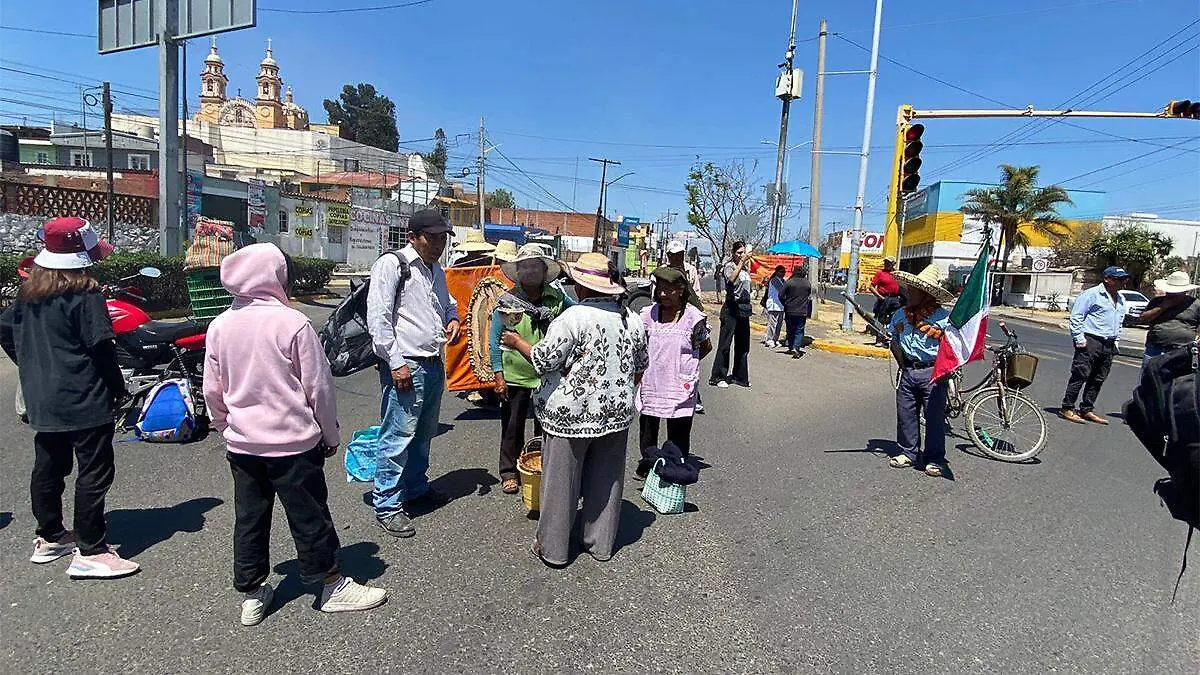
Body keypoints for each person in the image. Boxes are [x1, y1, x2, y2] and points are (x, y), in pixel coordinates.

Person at [203, 243, 386, 625]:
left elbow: (212, 390)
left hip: (243, 446)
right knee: (309, 515)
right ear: (274, 276)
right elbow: (318, 388)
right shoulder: (292, 323)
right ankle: (331, 586)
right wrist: (329, 434)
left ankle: (252, 593)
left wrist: (226, 427)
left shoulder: (220, 326)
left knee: (250, 518)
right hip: (292, 444)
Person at [0, 217, 138, 579]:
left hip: (42, 396)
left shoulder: (29, 292)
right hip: (83, 395)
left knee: (49, 466)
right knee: (94, 470)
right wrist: (117, 388)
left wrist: (30, 363)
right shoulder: (86, 293)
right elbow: (101, 348)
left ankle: (50, 536)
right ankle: (92, 550)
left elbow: (5, 328)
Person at [501, 252, 649, 567]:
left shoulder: (573, 318)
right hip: (615, 415)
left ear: (581, 286)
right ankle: (599, 544)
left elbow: (543, 360)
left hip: (569, 417)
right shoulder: (632, 319)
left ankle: (553, 548)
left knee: (560, 484)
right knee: (605, 481)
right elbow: (640, 367)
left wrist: (516, 342)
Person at [366, 209, 461, 538]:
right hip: (407, 364)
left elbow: (448, 305)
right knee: (397, 435)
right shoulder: (392, 264)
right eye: (432, 238)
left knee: (423, 433)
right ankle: (387, 504)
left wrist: (453, 319)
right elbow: (378, 318)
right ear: (413, 237)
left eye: (442, 238)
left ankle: (416, 488)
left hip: (433, 363)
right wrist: (395, 363)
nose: (438, 244)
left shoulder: (436, 270)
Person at [489, 244, 573, 495]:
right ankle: (509, 472)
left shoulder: (557, 299)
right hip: (515, 375)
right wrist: (498, 376)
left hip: (548, 375)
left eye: (535, 266)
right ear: (518, 271)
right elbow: (494, 340)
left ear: (544, 271)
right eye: (524, 267)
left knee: (546, 428)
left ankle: (542, 469)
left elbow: (577, 317)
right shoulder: (507, 301)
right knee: (512, 428)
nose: (530, 271)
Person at [634, 266, 711, 479]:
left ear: (681, 290)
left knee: (679, 429)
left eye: (669, 290)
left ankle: (675, 469)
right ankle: (648, 465)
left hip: (680, 383)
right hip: (652, 380)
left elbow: (705, 347)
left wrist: (684, 365)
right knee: (648, 427)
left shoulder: (693, 318)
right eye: (660, 289)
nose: (663, 294)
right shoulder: (647, 315)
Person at [886, 265, 953, 478]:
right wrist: (902, 363)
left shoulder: (943, 319)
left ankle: (935, 459)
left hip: (932, 372)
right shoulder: (900, 315)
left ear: (926, 294)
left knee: (934, 418)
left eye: (914, 290)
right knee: (905, 414)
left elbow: (952, 347)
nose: (909, 293)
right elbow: (893, 340)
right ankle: (908, 452)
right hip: (908, 370)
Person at [1060, 266, 1129, 425]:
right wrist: (1080, 339)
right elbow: (1077, 317)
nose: (1123, 282)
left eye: (1124, 279)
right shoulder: (1091, 294)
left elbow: (1119, 322)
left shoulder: (1120, 299)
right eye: (1119, 279)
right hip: (1091, 339)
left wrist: (1116, 341)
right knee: (1080, 374)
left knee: (1098, 378)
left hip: (1108, 343)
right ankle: (1067, 407)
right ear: (1107, 279)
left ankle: (1086, 409)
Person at [709, 240, 754, 388]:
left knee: (743, 345)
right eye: (739, 252)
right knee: (725, 344)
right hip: (731, 309)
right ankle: (718, 376)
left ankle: (740, 376)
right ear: (733, 253)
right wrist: (741, 262)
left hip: (744, 309)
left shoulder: (745, 269)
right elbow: (731, 279)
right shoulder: (730, 266)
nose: (742, 255)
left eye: (743, 252)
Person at [1135, 270, 1200, 368]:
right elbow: (1143, 318)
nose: (1172, 294)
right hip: (1155, 350)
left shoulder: (1195, 304)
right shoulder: (1157, 301)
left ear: (1185, 291)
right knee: (1149, 376)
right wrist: (1163, 307)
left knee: (1178, 377)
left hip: (1181, 351)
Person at [780, 265, 812, 358]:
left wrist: (785, 303)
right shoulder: (807, 283)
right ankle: (796, 347)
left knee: (790, 329)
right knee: (799, 330)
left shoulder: (789, 282)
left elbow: (780, 295)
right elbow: (808, 295)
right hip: (802, 311)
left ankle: (791, 347)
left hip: (789, 310)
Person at [870, 257, 903, 345]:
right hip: (884, 298)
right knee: (881, 319)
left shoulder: (897, 274)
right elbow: (871, 287)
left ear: (893, 264)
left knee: (896, 318)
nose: (886, 264)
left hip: (895, 299)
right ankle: (879, 339)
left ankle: (892, 340)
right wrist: (879, 296)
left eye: (889, 263)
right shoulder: (880, 273)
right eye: (885, 262)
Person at [760, 265, 786, 348]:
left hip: (781, 306)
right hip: (774, 305)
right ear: (777, 272)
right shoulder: (774, 280)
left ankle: (775, 339)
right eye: (781, 272)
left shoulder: (783, 281)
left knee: (779, 324)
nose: (783, 273)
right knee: (772, 324)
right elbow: (782, 290)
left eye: (784, 272)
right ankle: (769, 340)